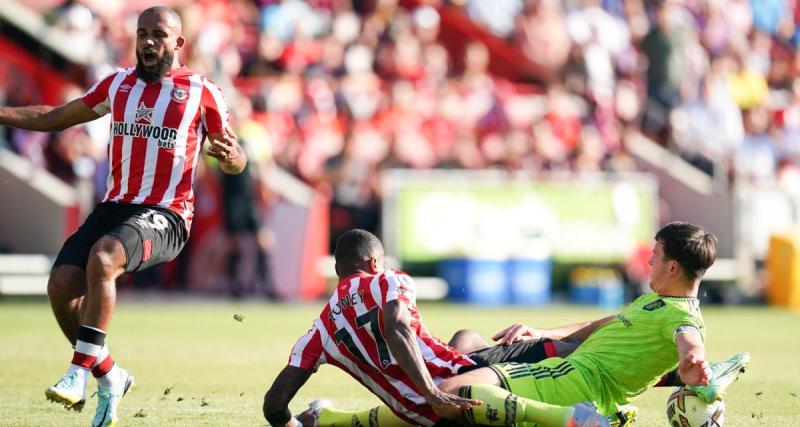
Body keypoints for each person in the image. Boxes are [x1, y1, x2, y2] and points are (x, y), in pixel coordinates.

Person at [0, 6, 247, 426]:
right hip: (116, 207)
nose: (148, 42)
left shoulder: (201, 90)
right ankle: (110, 375)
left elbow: (236, 157)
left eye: (159, 35)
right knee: (61, 286)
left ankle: (78, 373)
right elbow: (57, 117)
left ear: (178, 44)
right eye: (142, 33)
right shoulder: (117, 85)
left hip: (167, 213)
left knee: (103, 258)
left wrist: (233, 158)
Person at [302, 222, 749, 427]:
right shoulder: (657, 300)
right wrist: (545, 332)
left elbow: (690, 346)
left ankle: (577, 422)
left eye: (655, 256)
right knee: (452, 384)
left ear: (672, 267)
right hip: (569, 371)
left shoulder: (682, 317)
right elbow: (602, 324)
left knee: (450, 391)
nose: (648, 260)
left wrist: (694, 366)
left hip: (579, 383)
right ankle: (328, 420)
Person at [262, 229, 586, 427]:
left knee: (465, 337)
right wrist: (432, 393)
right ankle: (596, 384)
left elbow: (274, 405)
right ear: (375, 263)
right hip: (464, 384)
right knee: (565, 349)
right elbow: (396, 326)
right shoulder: (389, 280)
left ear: (337, 269)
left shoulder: (319, 332)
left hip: (428, 420)